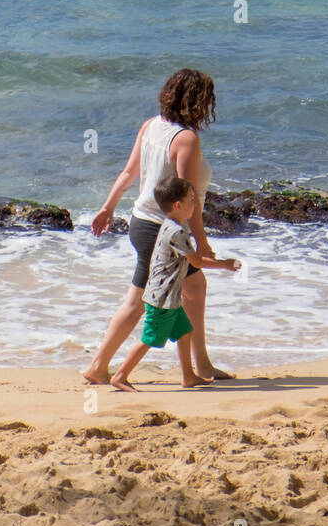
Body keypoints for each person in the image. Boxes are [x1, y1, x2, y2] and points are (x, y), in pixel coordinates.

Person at [83, 68, 233, 384]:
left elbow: (128, 173)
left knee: (193, 287)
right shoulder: (186, 140)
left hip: (142, 223)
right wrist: (202, 244)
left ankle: (199, 367)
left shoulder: (151, 126)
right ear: (199, 103)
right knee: (138, 301)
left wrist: (108, 207)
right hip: (163, 232)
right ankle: (100, 367)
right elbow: (187, 198)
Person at [110, 177, 239, 391]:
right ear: (178, 205)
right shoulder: (176, 232)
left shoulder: (172, 225)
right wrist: (225, 264)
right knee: (150, 338)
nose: (195, 204)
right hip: (161, 298)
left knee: (185, 331)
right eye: (191, 200)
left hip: (170, 297)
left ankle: (188, 376)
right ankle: (120, 376)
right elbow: (195, 262)